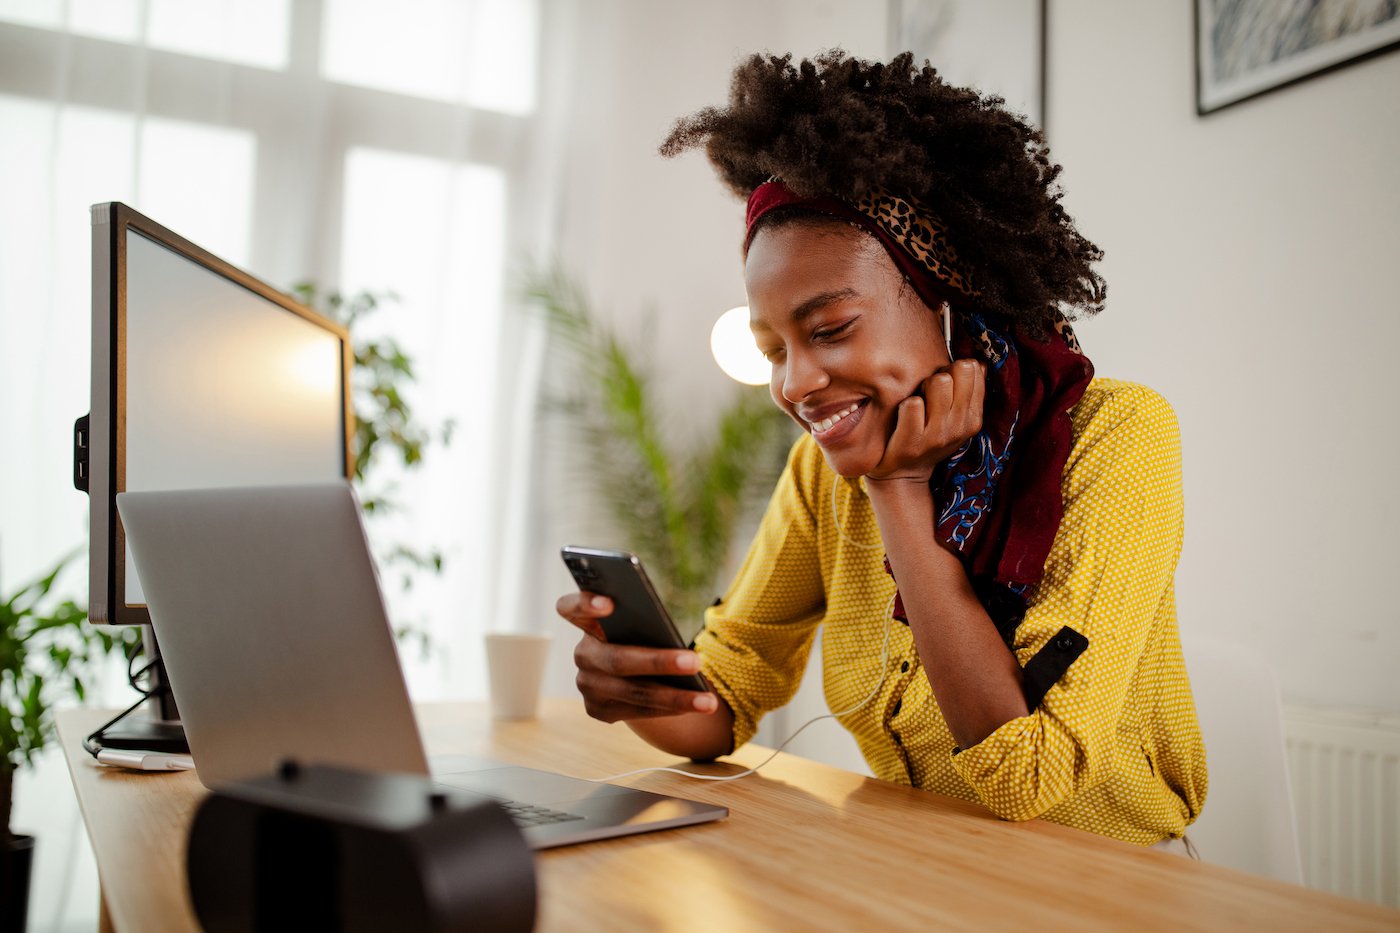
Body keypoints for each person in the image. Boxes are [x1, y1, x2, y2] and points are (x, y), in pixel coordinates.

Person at [556, 50, 1206, 849]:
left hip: (1112, 886)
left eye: (829, 329)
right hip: (926, 868)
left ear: (950, 301)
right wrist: (644, 690)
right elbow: (729, 693)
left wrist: (900, 491)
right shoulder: (821, 475)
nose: (797, 383)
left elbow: (1026, 776)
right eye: (773, 351)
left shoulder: (1113, 437)